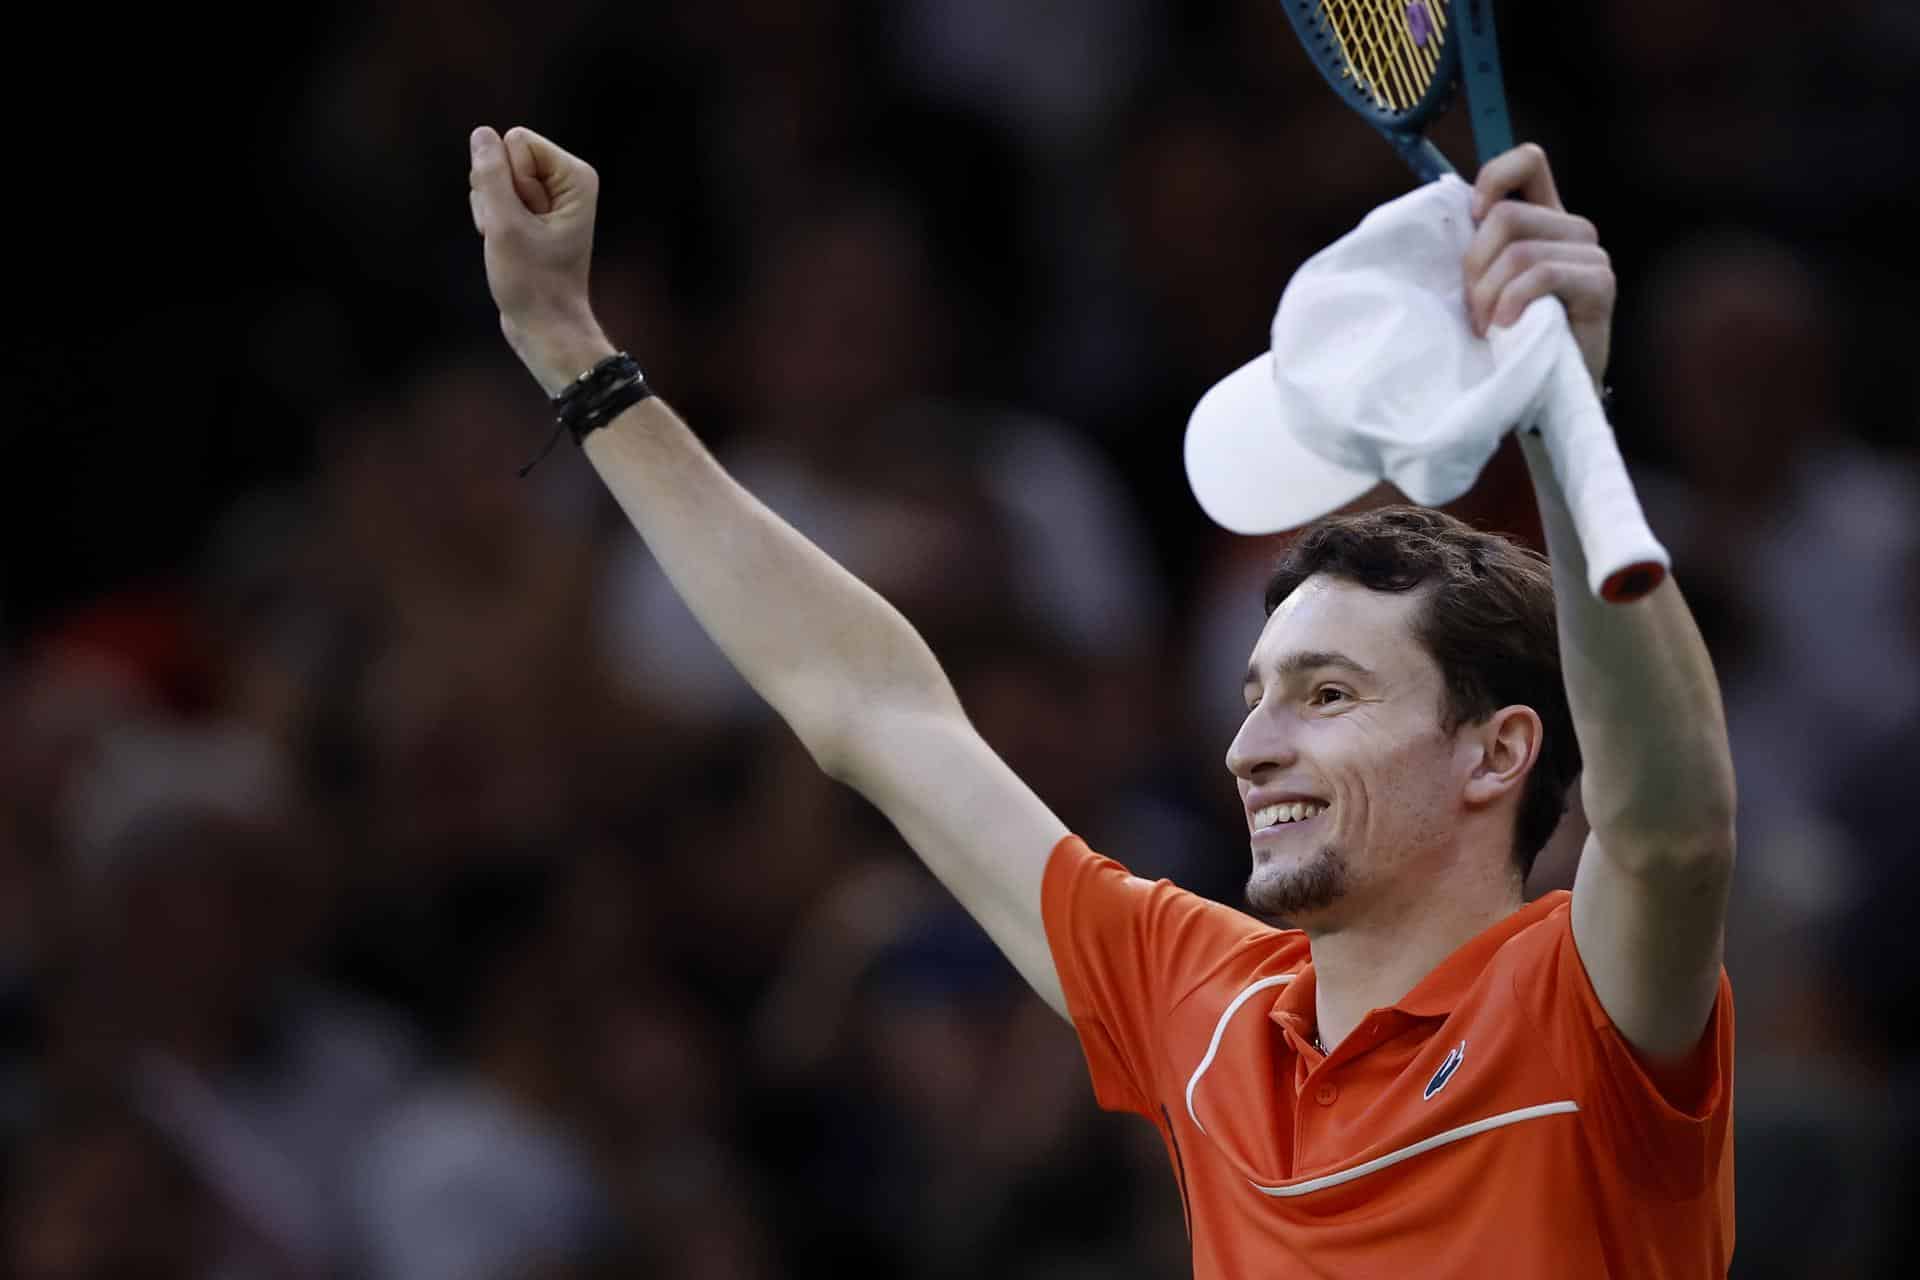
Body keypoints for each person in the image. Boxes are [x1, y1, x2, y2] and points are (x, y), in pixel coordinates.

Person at [467, 126, 1736, 1277]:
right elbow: (872, 705)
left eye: (1328, 693)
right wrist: (577, 356)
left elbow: (1669, 827)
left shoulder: (1580, 1000)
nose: (1252, 746)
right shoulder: (1210, 1003)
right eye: (1256, 696)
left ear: (1497, 751)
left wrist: (1568, 417)